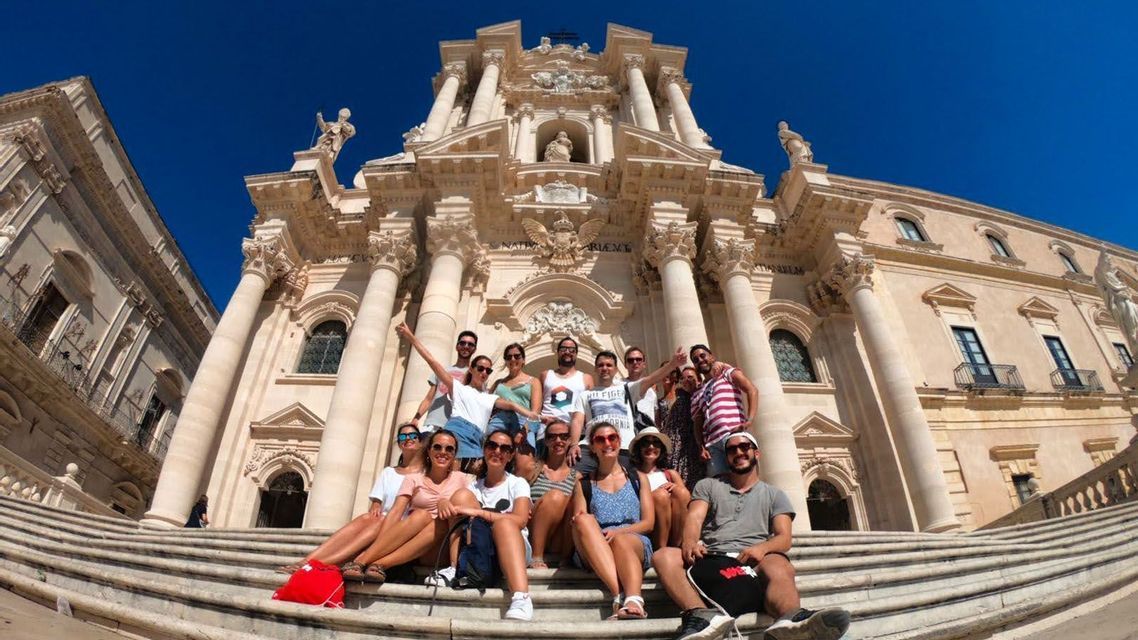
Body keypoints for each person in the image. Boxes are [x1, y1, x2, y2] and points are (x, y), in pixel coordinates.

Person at [652, 432, 851, 640]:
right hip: (712, 555)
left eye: (744, 447)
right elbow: (695, 517)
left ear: (757, 453)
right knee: (663, 556)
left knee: (778, 562)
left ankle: (791, 621)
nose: (738, 452)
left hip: (755, 557)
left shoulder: (775, 494)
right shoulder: (708, 485)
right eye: (731, 449)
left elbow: (784, 538)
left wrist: (762, 548)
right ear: (726, 456)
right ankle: (702, 615)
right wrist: (691, 541)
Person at [276, 423, 424, 573]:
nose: (408, 439)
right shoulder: (388, 472)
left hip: (401, 526)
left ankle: (315, 564)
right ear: (398, 443)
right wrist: (376, 506)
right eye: (403, 436)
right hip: (381, 520)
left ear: (420, 442)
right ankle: (306, 560)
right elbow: (376, 502)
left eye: (413, 436)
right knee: (368, 517)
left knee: (378, 521)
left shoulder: (425, 474)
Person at [397, 322, 539, 470]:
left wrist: (533, 414)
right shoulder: (459, 388)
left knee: (471, 479)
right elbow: (432, 361)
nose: (484, 373)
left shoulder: (490, 397)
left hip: (476, 440)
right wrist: (411, 337)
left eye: (488, 371)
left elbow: (511, 405)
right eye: (480, 368)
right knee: (450, 475)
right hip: (457, 431)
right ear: (471, 369)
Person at [343, 429, 476, 583]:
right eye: (437, 447)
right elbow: (396, 512)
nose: (443, 452)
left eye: (449, 449)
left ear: (454, 454)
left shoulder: (463, 479)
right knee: (421, 514)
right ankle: (367, 560)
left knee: (439, 522)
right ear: (428, 450)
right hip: (418, 545)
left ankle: (375, 563)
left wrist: (448, 504)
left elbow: (473, 510)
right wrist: (380, 544)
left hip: (445, 546)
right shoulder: (413, 479)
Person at [427, 430, 535, 621]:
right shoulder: (474, 487)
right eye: (492, 445)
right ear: (484, 450)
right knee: (460, 497)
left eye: (504, 448)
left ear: (510, 455)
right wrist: (444, 502)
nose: (497, 451)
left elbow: (520, 520)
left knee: (504, 524)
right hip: (482, 550)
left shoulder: (518, 483)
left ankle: (522, 597)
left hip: (514, 547)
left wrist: (479, 512)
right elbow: (455, 507)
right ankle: (454, 567)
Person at [570, 422, 655, 620]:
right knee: (582, 519)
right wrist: (602, 536)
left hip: (632, 541)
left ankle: (633, 600)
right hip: (597, 544)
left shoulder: (638, 477)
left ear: (619, 441)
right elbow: (579, 523)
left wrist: (618, 533)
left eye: (612, 438)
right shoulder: (584, 483)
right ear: (592, 447)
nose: (607, 443)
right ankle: (619, 594)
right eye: (600, 439)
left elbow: (648, 523)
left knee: (622, 540)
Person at [569, 347, 687, 473]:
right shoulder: (585, 395)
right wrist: (574, 444)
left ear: (615, 369)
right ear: (595, 369)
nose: (605, 368)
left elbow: (651, 379)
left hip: (623, 449)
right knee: (574, 481)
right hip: (590, 449)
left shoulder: (628, 389)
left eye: (609, 365)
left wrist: (673, 364)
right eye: (601, 365)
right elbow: (577, 420)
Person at [689, 345, 759, 478]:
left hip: (732, 436)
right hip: (712, 445)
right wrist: (700, 446)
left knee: (744, 479)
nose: (700, 360)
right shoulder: (698, 392)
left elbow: (752, 390)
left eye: (703, 355)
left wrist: (749, 420)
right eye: (695, 360)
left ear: (712, 357)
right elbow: (697, 422)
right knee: (720, 487)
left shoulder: (727, 373)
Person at [526, 419, 578, 568]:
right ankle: (536, 557)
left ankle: (566, 559)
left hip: (560, 539)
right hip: (534, 530)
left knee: (574, 502)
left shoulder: (577, 477)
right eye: (552, 437)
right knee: (555, 496)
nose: (558, 441)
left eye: (563, 436)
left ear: (569, 440)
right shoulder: (533, 469)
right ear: (546, 441)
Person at [488, 343, 543, 479]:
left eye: (517, 356)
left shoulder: (533, 381)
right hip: (497, 422)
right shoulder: (498, 383)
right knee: (492, 463)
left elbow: (535, 412)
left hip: (522, 423)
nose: (513, 359)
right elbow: (487, 405)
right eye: (509, 357)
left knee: (525, 467)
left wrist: (525, 429)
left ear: (523, 359)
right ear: (506, 361)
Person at [629, 427, 690, 550]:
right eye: (646, 443)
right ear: (639, 448)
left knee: (681, 492)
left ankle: (677, 546)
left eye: (656, 443)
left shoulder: (670, 474)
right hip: (649, 525)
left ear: (661, 449)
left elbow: (687, 503)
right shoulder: (632, 476)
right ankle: (660, 549)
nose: (651, 447)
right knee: (660, 496)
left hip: (673, 527)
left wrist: (675, 487)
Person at [410, 330, 479, 433]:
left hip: (457, 427)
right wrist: (416, 418)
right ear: (457, 346)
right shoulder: (442, 371)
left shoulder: (475, 375)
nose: (466, 346)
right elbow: (429, 398)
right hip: (433, 423)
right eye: (462, 343)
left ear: (474, 349)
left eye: (470, 344)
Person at [539, 336, 593, 463]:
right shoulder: (546, 375)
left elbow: (589, 408)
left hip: (574, 434)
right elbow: (537, 403)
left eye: (572, 349)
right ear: (557, 352)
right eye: (563, 348)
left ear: (576, 354)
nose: (567, 352)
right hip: (546, 432)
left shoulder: (586, 378)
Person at [658, 365, 706, 488]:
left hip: (688, 445)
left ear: (677, 376)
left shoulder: (684, 394)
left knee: (692, 480)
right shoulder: (659, 401)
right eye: (664, 372)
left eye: (671, 372)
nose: (667, 375)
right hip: (670, 448)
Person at [623, 346, 658, 426]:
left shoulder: (652, 391)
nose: (635, 362)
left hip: (647, 434)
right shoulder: (618, 385)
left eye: (638, 359)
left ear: (644, 364)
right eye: (630, 360)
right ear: (625, 365)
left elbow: (655, 416)